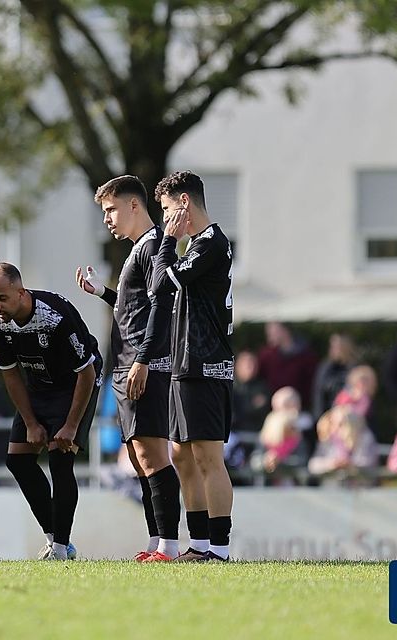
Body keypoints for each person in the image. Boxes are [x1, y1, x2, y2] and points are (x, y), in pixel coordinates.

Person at [74, 174, 180, 563]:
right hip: (125, 365)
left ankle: (168, 545)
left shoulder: (154, 248)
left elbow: (159, 309)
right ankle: (156, 542)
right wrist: (103, 292)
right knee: (138, 457)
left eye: (111, 210)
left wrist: (143, 360)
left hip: (140, 366)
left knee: (152, 456)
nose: (107, 219)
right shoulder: (139, 249)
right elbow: (134, 306)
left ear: (134, 206)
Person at [0, 263, 102, 561]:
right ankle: (55, 537)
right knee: (17, 460)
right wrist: (30, 422)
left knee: (60, 459)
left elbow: (86, 373)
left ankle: (60, 549)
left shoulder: (55, 316)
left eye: (2, 298)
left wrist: (71, 426)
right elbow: (10, 373)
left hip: (76, 383)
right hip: (38, 385)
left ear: (21, 293)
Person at [149, 170, 234, 562]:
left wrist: (169, 239)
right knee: (181, 454)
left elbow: (161, 283)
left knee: (207, 457)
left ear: (183, 203)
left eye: (166, 209)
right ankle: (198, 544)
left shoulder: (212, 243)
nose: (164, 218)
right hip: (185, 362)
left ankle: (218, 548)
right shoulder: (196, 245)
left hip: (206, 362)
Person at [307, 407, 378, 481]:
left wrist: (348, 465)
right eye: (333, 423)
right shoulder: (329, 439)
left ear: (352, 423)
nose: (335, 428)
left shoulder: (365, 438)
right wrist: (332, 464)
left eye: (341, 424)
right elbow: (313, 465)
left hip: (361, 486)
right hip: (332, 485)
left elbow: (367, 465)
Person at [257, 322, 318, 403]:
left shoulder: (306, 356)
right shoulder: (266, 355)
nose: (269, 335)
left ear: (285, 331)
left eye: (273, 331)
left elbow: (312, 384)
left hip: (298, 407)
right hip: (272, 406)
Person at [312, 334, 357, 419]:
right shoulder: (325, 367)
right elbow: (319, 393)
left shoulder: (355, 367)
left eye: (338, 346)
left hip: (350, 415)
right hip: (329, 414)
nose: (335, 349)